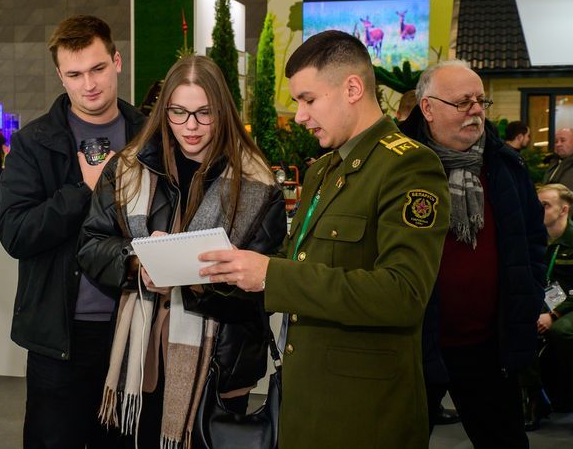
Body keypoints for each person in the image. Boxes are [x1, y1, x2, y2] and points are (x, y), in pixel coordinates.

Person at [199, 30, 450, 447]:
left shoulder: (409, 168)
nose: (299, 116)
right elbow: (297, 262)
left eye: (308, 100)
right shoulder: (323, 170)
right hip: (307, 403)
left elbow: (402, 294)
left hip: (363, 414)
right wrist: (216, 270)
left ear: (352, 88)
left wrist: (272, 275)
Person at [78, 55, 287, 448]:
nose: (191, 126)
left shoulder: (258, 185)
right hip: (139, 363)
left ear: (223, 111)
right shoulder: (127, 169)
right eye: (179, 112)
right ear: (164, 111)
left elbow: (267, 287)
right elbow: (90, 246)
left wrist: (198, 280)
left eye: (204, 113)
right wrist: (136, 263)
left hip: (218, 367)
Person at [0, 15, 146, 449]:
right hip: (60, 338)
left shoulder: (150, 136)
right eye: (75, 74)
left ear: (117, 61)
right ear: (60, 77)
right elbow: (15, 233)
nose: (89, 84)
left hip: (135, 328)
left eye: (98, 68)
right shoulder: (33, 143)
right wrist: (83, 190)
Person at [399, 59, 545, 448]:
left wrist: (529, 296)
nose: (477, 111)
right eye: (463, 102)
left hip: (489, 346)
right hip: (414, 345)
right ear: (427, 108)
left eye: (481, 101)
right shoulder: (397, 167)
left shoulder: (505, 165)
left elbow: (533, 238)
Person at [532, 184, 573, 414]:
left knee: (561, 331)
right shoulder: (535, 238)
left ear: (563, 210)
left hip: (568, 305)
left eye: (545, 205)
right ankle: (532, 396)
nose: (539, 211)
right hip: (545, 302)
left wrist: (554, 314)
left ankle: (565, 393)